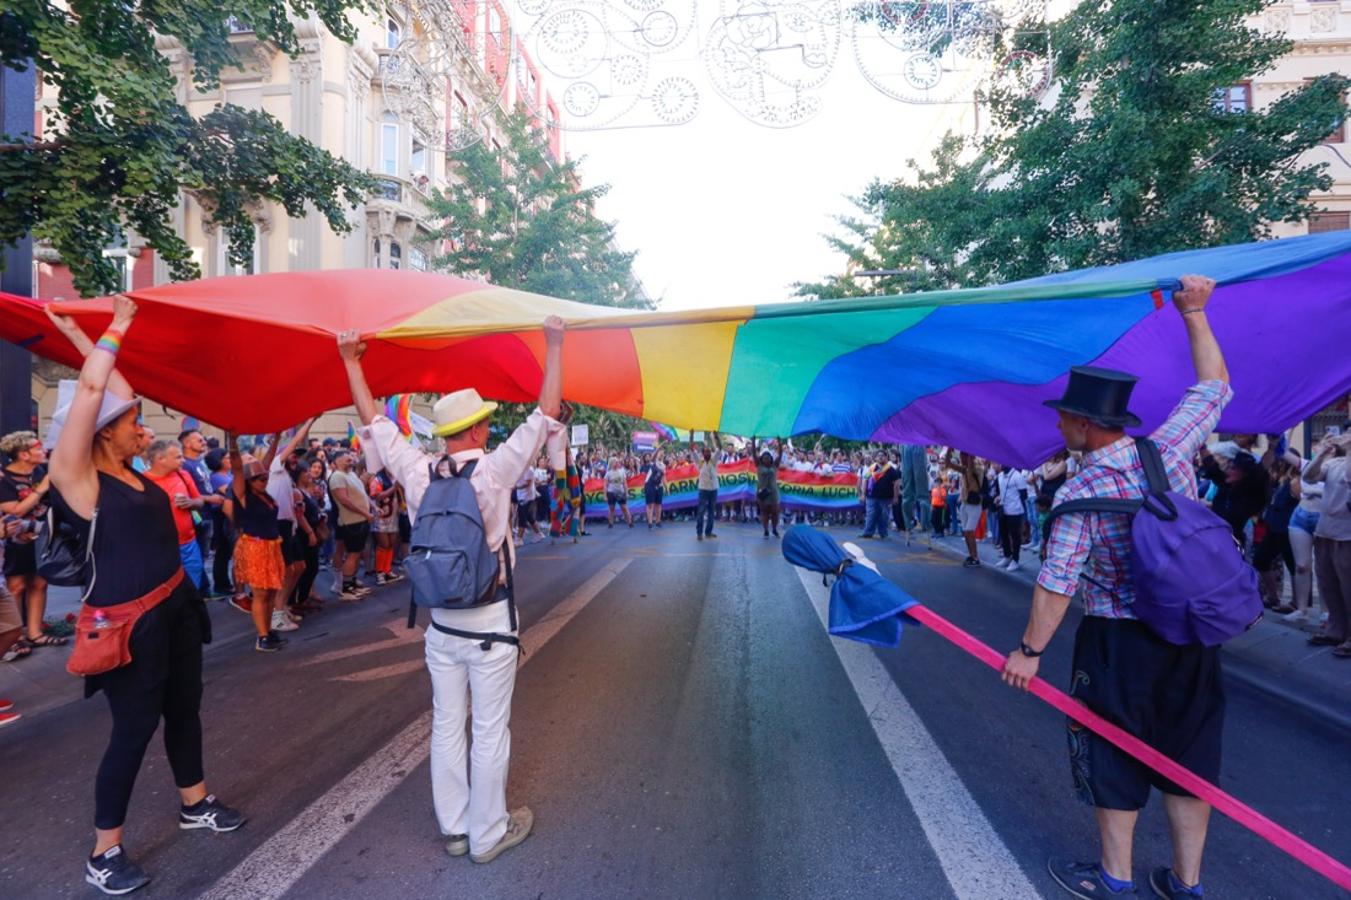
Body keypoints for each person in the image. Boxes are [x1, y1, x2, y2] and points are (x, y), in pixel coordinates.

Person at [1001, 275, 1230, 900]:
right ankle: (1187, 885)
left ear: (1082, 423)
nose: (1062, 429)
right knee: (1188, 758)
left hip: (1117, 645)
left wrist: (1029, 651)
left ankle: (1116, 880)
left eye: (1066, 420)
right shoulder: (1170, 452)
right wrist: (1196, 313)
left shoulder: (1078, 492)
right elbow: (1213, 388)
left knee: (1111, 752)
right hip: (1190, 637)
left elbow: (1055, 585)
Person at [337, 315, 567, 865]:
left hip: (440, 626)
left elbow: (373, 420)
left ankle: (456, 827)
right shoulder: (494, 472)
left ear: (445, 434)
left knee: (446, 726)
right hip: (490, 625)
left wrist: (351, 359)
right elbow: (546, 414)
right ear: (480, 429)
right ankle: (489, 834)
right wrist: (554, 344)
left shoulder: (418, 473)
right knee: (490, 730)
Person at [45, 296, 243, 896]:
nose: (144, 427)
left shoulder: (136, 474)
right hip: (129, 628)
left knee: (185, 712)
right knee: (131, 733)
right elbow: (90, 394)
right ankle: (104, 850)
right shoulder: (77, 479)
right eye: (133, 422)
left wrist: (82, 334)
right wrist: (117, 326)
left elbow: (113, 387)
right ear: (104, 433)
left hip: (176, 611)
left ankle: (194, 802)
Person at [226, 434, 289, 651]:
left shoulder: (264, 494)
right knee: (261, 594)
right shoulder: (243, 495)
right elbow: (236, 470)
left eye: (265, 477)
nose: (266, 479)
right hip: (255, 547)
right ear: (249, 481)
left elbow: (269, 460)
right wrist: (232, 442)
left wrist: (278, 436)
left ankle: (268, 631)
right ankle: (262, 637)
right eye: (261, 478)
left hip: (271, 546)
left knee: (271, 591)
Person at [0, 429, 59, 649]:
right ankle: (13, 638)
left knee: (40, 583)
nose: (42, 450)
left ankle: (35, 632)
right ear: (23, 454)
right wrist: (40, 489)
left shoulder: (42, 471)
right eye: (37, 447)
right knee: (16, 586)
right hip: (15, 539)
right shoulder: (4, 479)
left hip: (43, 534)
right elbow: (14, 510)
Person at [143, 440, 220, 594]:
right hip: (161, 547)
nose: (183, 460)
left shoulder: (183, 475)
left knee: (193, 586)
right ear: (160, 459)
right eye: (178, 457)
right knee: (167, 590)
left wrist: (191, 502)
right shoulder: (141, 481)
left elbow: (199, 501)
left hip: (189, 544)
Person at [1303, 427, 1351, 657]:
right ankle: (1336, 630)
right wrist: (1322, 453)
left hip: (1347, 534)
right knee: (1328, 584)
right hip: (1325, 532)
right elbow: (1308, 476)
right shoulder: (1334, 463)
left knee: (1348, 587)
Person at [328, 450, 373, 601]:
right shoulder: (337, 477)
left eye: (350, 458)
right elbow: (345, 500)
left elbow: (362, 494)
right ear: (337, 461)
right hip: (351, 521)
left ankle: (352, 584)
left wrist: (372, 507)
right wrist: (365, 513)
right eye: (346, 459)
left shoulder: (351, 474)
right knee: (353, 554)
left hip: (361, 519)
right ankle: (346, 589)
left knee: (357, 552)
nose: (350, 460)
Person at [860, 450, 901, 540]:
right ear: (876, 458)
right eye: (879, 456)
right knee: (871, 514)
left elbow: (896, 483)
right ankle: (868, 532)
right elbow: (864, 480)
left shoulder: (891, 469)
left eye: (883, 455)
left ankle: (883, 533)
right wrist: (863, 494)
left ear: (886, 457)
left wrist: (895, 497)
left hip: (886, 498)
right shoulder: (871, 468)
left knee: (884, 516)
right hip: (871, 496)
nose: (881, 457)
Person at [995, 466, 1029, 571]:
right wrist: (998, 498)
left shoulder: (1018, 476)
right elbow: (1001, 492)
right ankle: (1007, 556)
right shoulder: (1000, 475)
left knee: (1015, 536)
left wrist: (1014, 502)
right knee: (1003, 534)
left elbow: (1024, 495)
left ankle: (1015, 560)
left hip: (1015, 510)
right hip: (1002, 508)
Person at [750, 437, 782, 538]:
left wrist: (780, 443)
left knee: (775, 512)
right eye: (764, 456)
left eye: (768, 456)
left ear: (771, 458)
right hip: (762, 492)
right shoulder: (758, 465)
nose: (766, 458)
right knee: (764, 512)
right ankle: (766, 530)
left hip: (773, 493)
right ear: (762, 458)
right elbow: (754, 453)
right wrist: (753, 442)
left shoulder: (774, 465)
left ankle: (774, 528)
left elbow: (780, 454)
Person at [692, 433, 720, 541]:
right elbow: (692, 450)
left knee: (712, 512)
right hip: (703, 489)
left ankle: (708, 532)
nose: (708, 452)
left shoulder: (714, 461)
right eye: (706, 451)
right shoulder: (699, 462)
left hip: (713, 489)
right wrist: (691, 436)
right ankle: (699, 533)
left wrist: (716, 437)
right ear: (703, 453)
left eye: (709, 451)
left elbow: (719, 449)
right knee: (701, 511)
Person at [604, 456, 631, 528]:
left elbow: (625, 483)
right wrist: (605, 496)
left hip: (620, 492)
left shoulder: (622, 471)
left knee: (624, 507)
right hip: (611, 493)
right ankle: (610, 523)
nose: (617, 463)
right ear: (611, 463)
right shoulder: (608, 473)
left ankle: (630, 522)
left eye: (617, 462)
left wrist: (626, 493)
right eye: (615, 462)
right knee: (611, 508)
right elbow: (605, 485)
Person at [643, 451, 666, 529]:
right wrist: (660, 447)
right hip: (650, 485)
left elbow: (663, 477)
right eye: (660, 453)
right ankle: (650, 522)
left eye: (662, 454)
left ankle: (658, 521)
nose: (661, 455)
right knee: (650, 504)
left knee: (658, 504)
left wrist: (667, 487)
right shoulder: (653, 462)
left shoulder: (663, 466)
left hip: (659, 486)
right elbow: (654, 455)